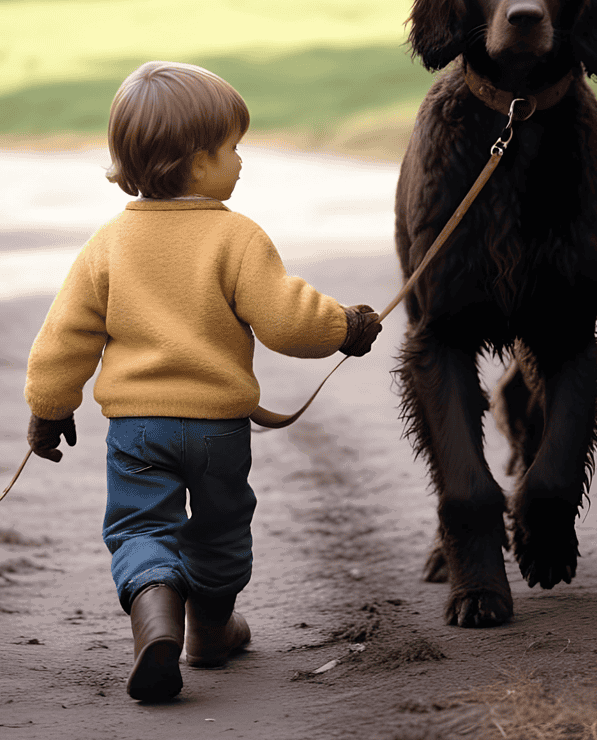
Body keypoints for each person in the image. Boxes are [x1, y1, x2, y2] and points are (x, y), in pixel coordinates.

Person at [24, 61, 382, 702]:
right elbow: (285, 320)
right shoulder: (236, 238)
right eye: (232, 148)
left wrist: (49, 408)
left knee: (139, 529)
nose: (241, 161)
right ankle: (210, 632)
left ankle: (156, 621)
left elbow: (65, 337)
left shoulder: (108, 245)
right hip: (217, 432)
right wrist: (345, 328)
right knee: (219, 527)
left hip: (136, 430)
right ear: (196, 161)